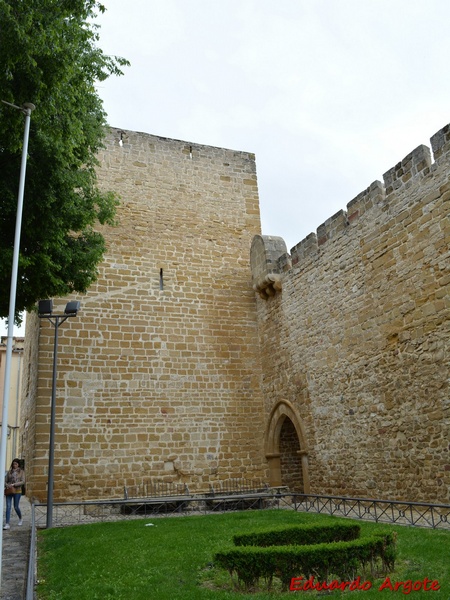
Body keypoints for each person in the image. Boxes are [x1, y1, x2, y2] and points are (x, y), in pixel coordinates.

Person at [3, 459, 25, 530]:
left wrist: (14, 484)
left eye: (15, 464)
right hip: (9, 491)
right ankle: (7, 523)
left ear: (18, 464)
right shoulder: (9, 472)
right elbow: (5, 480)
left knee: (16, 507)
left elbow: (23, 481)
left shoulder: (21, 472)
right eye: (13, 464)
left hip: (17, 491)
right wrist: (7, 485)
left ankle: (20, 518)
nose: (14, 465)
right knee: (8, 507)